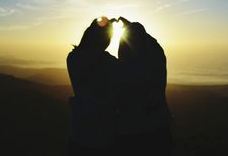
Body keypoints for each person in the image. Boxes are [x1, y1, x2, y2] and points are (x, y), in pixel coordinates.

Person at [114, 17, 173, 156]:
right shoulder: (156, 59)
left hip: (131, 131)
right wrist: (133, 28)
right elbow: (154, 46)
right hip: (159, 127)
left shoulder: (119, 69)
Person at [66, 17, 118, 156]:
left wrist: (107, 26)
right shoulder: (110, 63)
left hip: (77, 132)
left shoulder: (72, 58)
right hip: (103, 137)